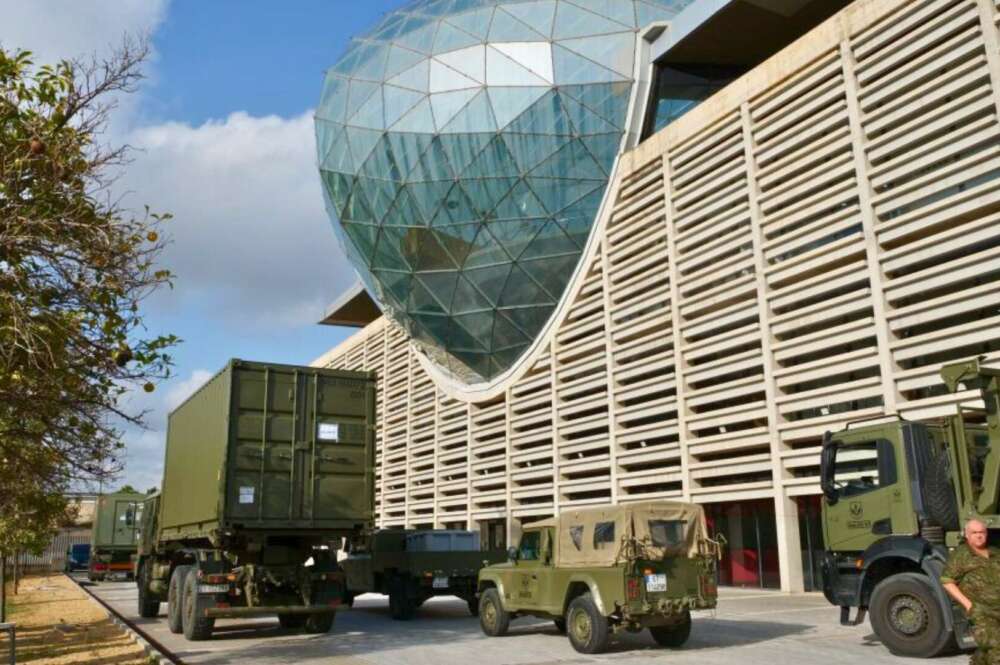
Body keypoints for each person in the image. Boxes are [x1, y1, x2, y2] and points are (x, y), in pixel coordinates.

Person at [941, 519, 1000, 665]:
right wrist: (969, 605)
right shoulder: (961, 555)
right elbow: (947, 581)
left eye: (982, 532)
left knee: (987, 647)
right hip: (981, 610)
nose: (979, 536)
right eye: (974, 533)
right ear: (967, 535)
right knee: (996, 647)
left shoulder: (995, 552)